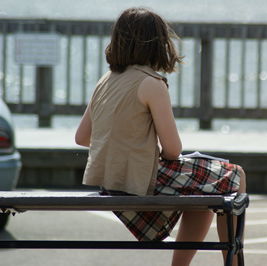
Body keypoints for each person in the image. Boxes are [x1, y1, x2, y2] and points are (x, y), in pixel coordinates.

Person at [75, 7, 246, 266]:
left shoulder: (106, 80)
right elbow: (173, 149)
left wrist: (128, 146)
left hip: (110, 181)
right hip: (139, 181)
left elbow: (82, 137)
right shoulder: (151, 83)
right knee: (234, 175)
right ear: (158, 44)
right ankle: (232, 263)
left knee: (204, 190)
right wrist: (145, 152)